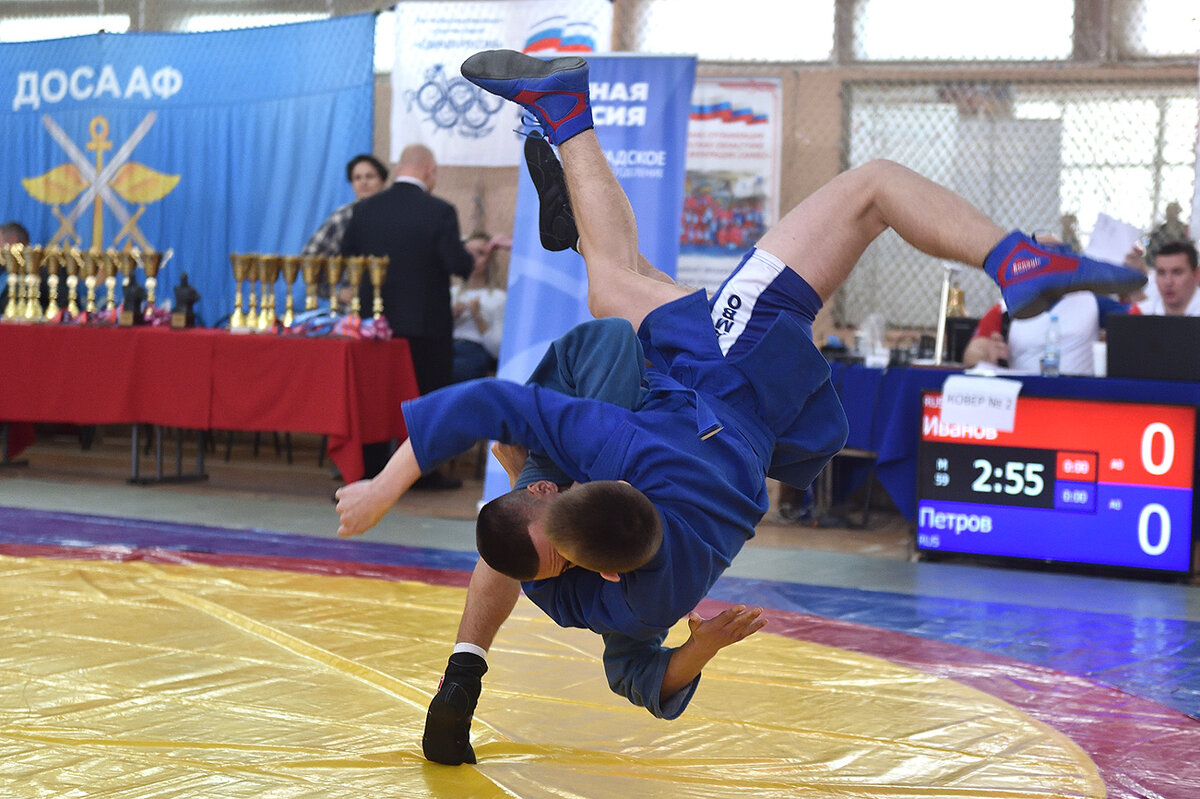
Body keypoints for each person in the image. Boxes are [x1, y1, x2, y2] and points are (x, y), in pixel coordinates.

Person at [334, 49, 1145, 764]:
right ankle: (1017, 259)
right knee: (871, 189)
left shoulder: (639, 592)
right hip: (728, 359)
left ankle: (569, 138)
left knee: (616, 279)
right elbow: (488, 400)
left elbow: (641, 675)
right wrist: (383, 487)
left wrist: (701, 647)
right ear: (574, 486)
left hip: (765, 419)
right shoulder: (621, 449)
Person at [341, 143, 474, 487]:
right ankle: (423, 475)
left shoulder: (364, 210)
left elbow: (347, 257)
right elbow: (455, 264)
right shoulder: (440, 210)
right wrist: (470, 255)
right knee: (426, 400)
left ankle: (371, 472)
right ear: (430, 171)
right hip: (426, 326)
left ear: (398, 168)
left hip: (374, 325)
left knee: (375, 398)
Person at [962, 290, 1133, 375]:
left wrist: (1133, 290)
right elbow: (972, 353)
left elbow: (1137, 322)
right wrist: (985, 356)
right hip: (1026, 396)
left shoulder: (1092, 301)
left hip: (1080, 397)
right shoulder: (1005, 310)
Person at [450, 231, 512, 384]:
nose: (472, 259)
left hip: (475, 351)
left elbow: (498, 351)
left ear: (489, 260)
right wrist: (450, 318)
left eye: (480, 253)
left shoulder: (498, 298)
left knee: (460, 369)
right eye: (468, 253)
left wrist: (479, 318)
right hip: (448, 348)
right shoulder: (451, 293)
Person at [301, 154, 388, 257]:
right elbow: (309, 253)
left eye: (369, 177)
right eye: (357, 178)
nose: (363, 182)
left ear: (384, 182)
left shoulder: (393, 213)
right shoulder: (342, 215)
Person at [1136, 240, 1199, 316]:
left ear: (1196, 275)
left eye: (1177, 272)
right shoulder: (1140, 313)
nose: (1168, 282)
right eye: (1161, 273)